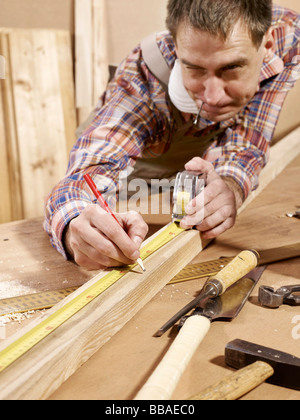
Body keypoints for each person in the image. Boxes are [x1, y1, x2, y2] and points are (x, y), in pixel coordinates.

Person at [44, 0, 300, 270]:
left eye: (231, 68)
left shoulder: (289, 38)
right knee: (109, 230)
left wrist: (231, 184)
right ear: (177, 49)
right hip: (133, 176)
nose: (212, 98)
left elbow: (247, 134)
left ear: (267, 45)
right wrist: (74, 225)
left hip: (191, 164)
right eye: (195, 69)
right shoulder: (141, 81)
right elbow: (84, 177)